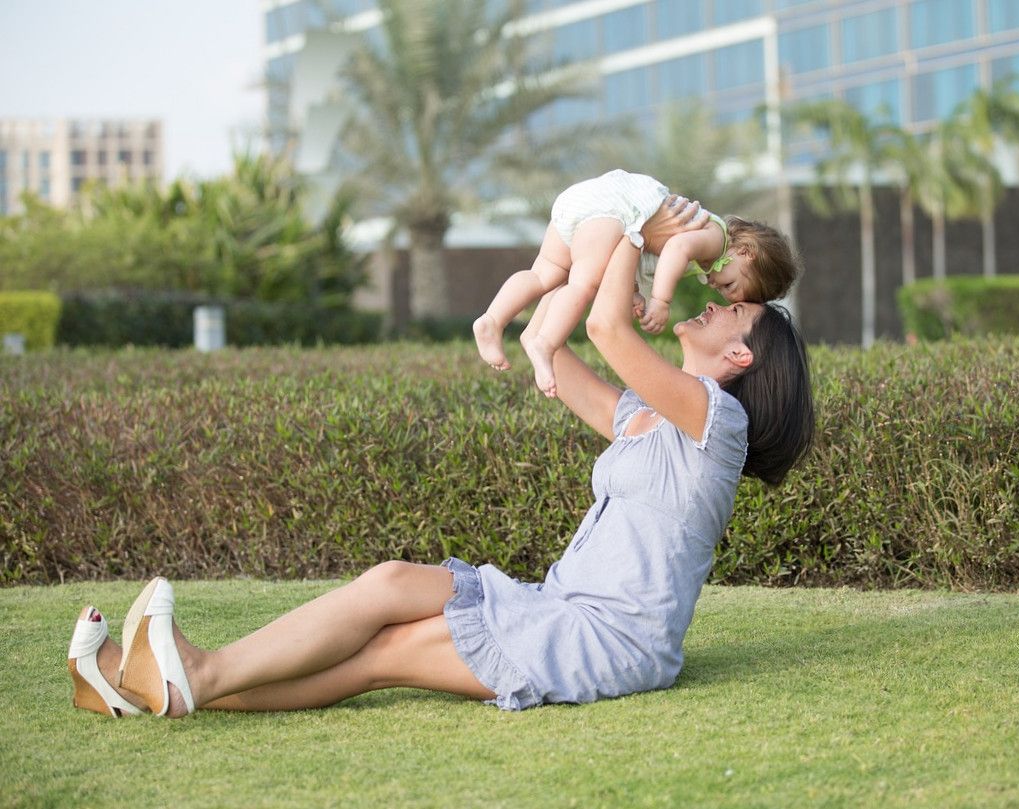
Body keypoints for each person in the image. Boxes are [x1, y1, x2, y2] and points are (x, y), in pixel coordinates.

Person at [66, 198, 815, 717]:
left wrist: (629, 217)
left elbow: (612, 330)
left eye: (735, 309)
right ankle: (135, 683)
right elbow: (567, 359)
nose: (716, 301)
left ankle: (190, 677)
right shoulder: (652, 415)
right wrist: (533, 303)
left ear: (742, 353)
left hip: (608, 640)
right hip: (554, 601)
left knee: (387, 653)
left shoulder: (717, 422)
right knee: (391, 584)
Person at [473, 169, 799, 397]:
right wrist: (660, 301)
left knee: (545, 274)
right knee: (583, 284)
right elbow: (673, 246)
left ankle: (492, 319)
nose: (717, 289)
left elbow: (640, 250)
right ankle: (544, 343)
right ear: (746, 253)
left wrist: (633, 292)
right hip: (615, 210)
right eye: (730, 287)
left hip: (588, 203)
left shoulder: (709, 251)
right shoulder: (716, 239)